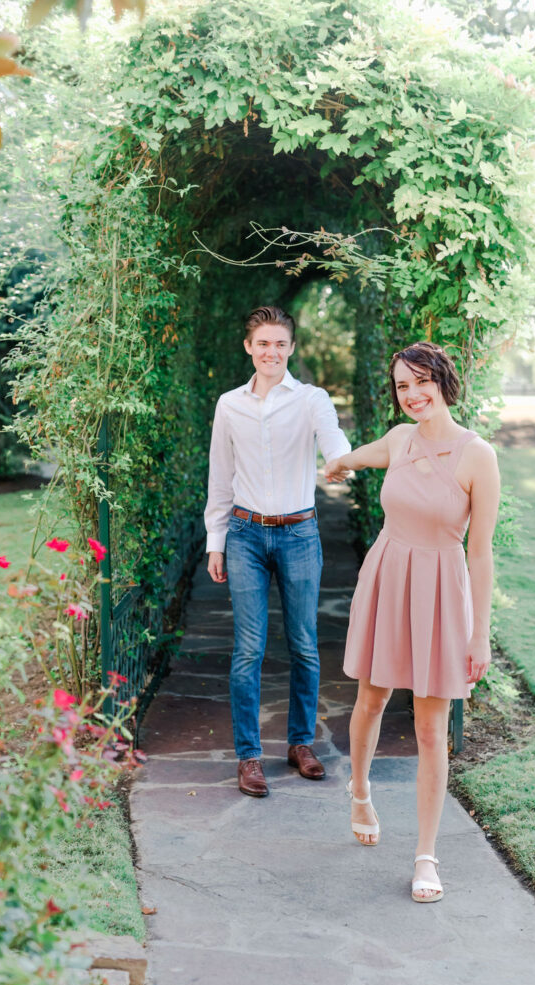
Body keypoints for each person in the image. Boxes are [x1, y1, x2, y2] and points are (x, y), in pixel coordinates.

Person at [324, 341, 500, 902]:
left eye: (422, 381)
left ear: (443, 381)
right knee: (371, 700)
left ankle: (426, 856)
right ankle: (359, 792)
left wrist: (479, 634)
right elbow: (361, 455)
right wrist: (338, 461)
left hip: (442, 593)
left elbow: (482, 552)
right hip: (387, 578)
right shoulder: (400, 441)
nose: (413, 394)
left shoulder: (479, 456)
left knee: (430, 729)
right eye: (402, 386)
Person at [205, 305, 351, 797]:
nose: (272, 351)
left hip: (298, 534)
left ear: (291, 348)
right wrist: (216, 541)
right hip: (245, 534)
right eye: (263, 343)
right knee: (248, 648)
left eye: (280, 343)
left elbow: (332, 436)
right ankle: (248, 756)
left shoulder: (311, 399)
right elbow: (220, 478)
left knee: (305, 647)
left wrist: (340, 460)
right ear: (249, 346)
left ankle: (300, 744)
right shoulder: (229, 405)